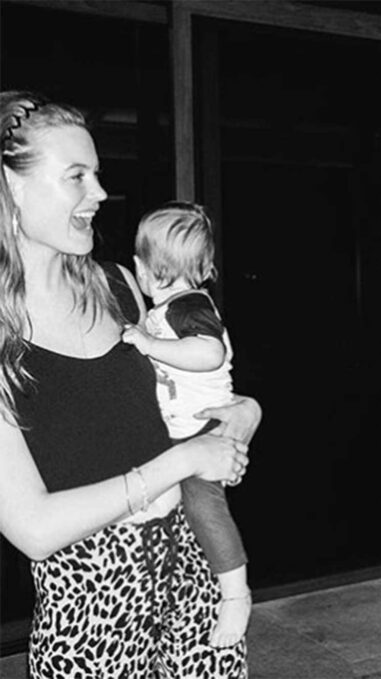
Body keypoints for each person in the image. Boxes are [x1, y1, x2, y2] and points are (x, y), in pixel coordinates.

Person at [0, 90, 260, 677]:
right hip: (91, 603)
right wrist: (181, 461)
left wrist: (243, 412)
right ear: (12, 187)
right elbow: (34, 529)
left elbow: (173, 398)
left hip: (192, 568)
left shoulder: (118, 286)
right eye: (76, 176)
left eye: (97, 174)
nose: (98, 193)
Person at [121, 201, 251, 647]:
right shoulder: (173, 308)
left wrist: (150, 345)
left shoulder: (187, 305)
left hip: (202, 426)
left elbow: (210, 353)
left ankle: (235, 594)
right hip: (182, 428)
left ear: (143, 269)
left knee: (202, 504)